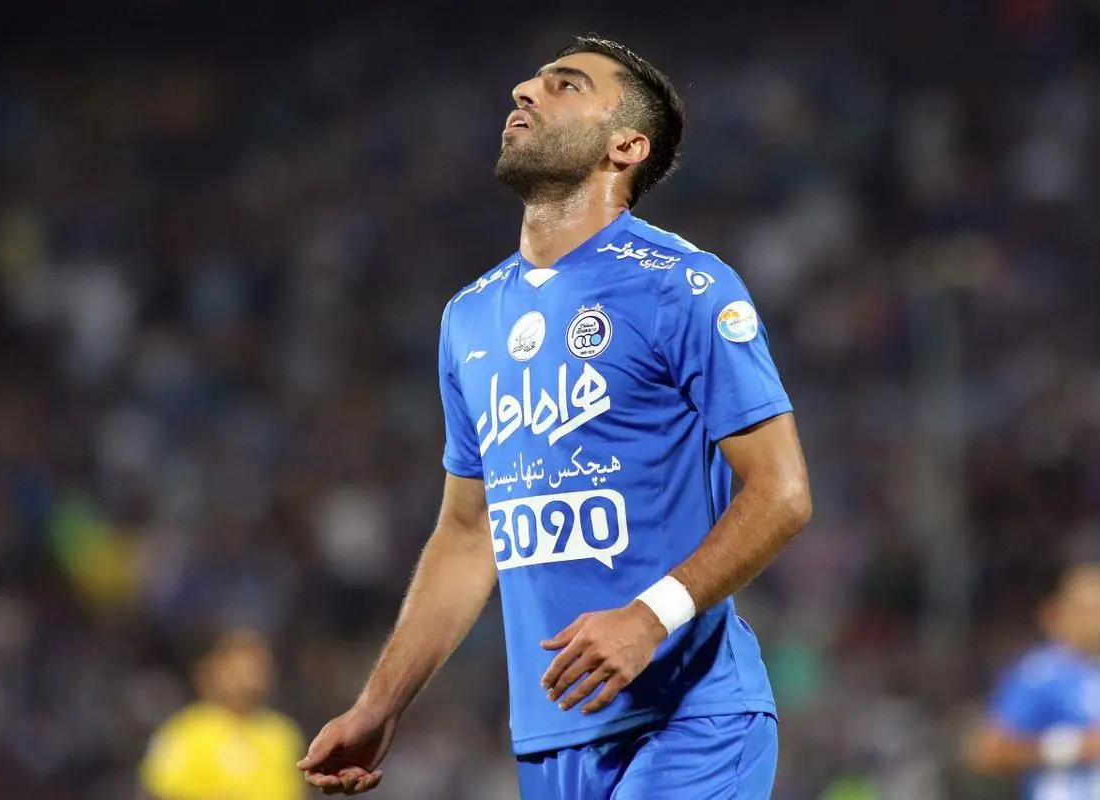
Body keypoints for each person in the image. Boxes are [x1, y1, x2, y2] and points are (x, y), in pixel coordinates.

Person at [298, 34, 812, 799]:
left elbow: (781, 492)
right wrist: (381, 703)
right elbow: (469, 533)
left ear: (625, 146)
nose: (524, 91)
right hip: (553, 737)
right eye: (532, 82)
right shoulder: (470, 317)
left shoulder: (684, 285)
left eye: (566, 84)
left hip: (691, 718)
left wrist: (648, 618)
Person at [964, 562, 1100, 798]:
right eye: (1089, 610)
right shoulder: (1040, 673)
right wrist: (1074, 748)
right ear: (1060, 611)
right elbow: (986, 751)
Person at [139, 629, 305, 800]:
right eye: (237, 662)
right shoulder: (184, 733)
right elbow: (157, 792)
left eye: (257, 662)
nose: (248, 673)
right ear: (207, 670)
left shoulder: (283, 734)